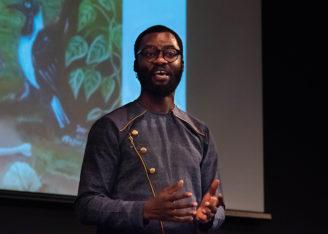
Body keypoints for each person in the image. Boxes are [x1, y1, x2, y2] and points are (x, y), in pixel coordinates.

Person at [75, 25, 225, 234]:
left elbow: (217, 206)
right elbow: (87, 205)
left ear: (182, 63)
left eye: (170, 53)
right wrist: (144, 210)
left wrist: (209, 216)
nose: (161, 60)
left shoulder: (200, 133)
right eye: (149, 53)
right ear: (136, 64)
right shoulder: (112, 127)